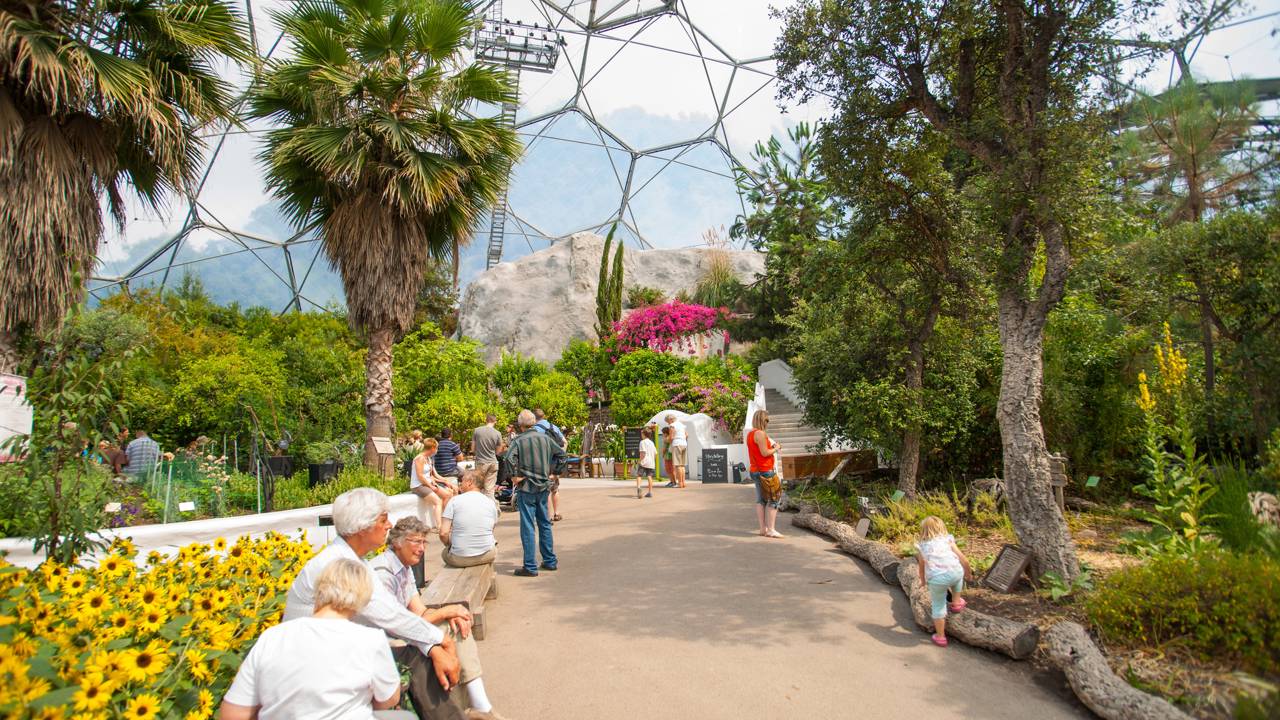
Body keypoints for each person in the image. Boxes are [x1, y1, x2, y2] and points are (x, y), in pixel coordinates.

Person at [281, 488, 465, 720]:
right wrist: (439, 642)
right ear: (363, 527)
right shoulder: (340, 563)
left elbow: (392, 612)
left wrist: (434, 644)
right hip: (321, 666)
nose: (389, 525)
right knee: (418, 657)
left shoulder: (351, 559)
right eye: (383, 519)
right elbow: (389, 615)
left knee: (422, 651)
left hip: (333, 655)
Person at [220, 558, 416, 720]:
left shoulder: (272, 637)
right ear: (363, 597)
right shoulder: (370, 639)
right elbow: (388, 698)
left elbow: (233, 713)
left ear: (319, 589)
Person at [370, 518, 506, 720]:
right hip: (387, 643)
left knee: (456, 624)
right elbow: (397, 627)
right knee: (447, 628)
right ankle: (474, 707)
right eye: (416, 542)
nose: (422, 548)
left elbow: (420, 612)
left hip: (402, 633)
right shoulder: (383, 573)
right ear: (397, 542)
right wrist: (445, 611)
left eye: (424, 542)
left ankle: (479, 705)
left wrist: (451, 614)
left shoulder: (403, 567)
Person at [505, 409, 566, 577]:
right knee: (544, 523)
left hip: (526, 487)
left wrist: (514, 477)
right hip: (543, 487)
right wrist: (555, 473)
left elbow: (508, 458)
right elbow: (562, 455)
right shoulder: (545, 438)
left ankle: (530, 566)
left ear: (520, 425)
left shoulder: (518, 440)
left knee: (528, 526)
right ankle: (550, 561)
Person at [916, 515, 973, 647]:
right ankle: (956, 602)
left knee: (938, 606)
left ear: (924, 530)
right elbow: (964, 560)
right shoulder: (948, 540)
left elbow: (921, 568)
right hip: (955, 573)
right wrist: (968, 574)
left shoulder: (922, 547)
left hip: (937, 579)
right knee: (957, 577)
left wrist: (923, 581)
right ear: (941, 527)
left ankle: (940, 637)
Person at [440, 471, 498, 567]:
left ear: (470, 482)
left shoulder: (454, 501)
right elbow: (491, 529)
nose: (460, 484)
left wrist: (450, 545)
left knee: (444, 553)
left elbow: (443, 533)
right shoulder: (490, 502)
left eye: (462, 481)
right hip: (487, 555)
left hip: (459, 558)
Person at [747, 410, 784, 538]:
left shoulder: (750, 434)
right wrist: (776, 448)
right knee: (774, 499)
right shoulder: (760, 434)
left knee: (761, 500)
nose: (768, 423)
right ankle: (771, 530)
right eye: (767, 420)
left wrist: (771, 447)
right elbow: (764, 453)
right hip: (765, 470)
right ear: (763, 421)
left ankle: (763, 528)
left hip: (755, 470)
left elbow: (758, 451)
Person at [412, 438, 456, 530]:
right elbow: (420, 476)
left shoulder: (428, 459)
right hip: (418, 486)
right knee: (437, 501)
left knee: (448, 495)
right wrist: (431, 486)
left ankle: (446, 521)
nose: (437, 450)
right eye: (436, 448)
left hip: (428, 484)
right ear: (432, 448)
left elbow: (432, 475)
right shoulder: (419, 458)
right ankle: (439, 526)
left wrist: (443, 481)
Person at [531, 409, 565, 521]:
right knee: (555, 488)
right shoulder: (553, 427)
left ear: (534, 418)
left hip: (543, 463)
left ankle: (548, 516)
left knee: (546, 490)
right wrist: (560, 457)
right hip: (555, 463)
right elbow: (564, 442)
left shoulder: (535, 429)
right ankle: (556, 513)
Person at [469, 415, 504, 501]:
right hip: (493, 462)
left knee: (479, 487)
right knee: (490, 489)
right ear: (495, 422)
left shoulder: (477, 431)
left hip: (481, 462)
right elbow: (499, 451)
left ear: (486, 420)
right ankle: (492, 507)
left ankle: (481, 506)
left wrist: (478, 452)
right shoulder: (498, 433)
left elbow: (472, 449)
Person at [665, 414, 687, 489]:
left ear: (671, 420)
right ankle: (683, 483)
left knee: (678, 465)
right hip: (684, 444)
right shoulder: (682, 425)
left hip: (677, 445)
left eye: (668, 421)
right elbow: (686, 435)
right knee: (682, 465)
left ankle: (680, 483)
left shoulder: (672, 426)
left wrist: (666, 440)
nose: (668, 423)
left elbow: (671, 438)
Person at [635, 426, 656, 499]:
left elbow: (642, 453)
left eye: (642, 433)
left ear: (644, 434)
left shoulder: (642, 442)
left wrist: (640, 461)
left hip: (644, 462)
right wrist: (653, 460)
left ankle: (639, 488)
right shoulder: (652, 443)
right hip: (651, 462)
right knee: (649, 476)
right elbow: (655, 453)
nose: (641, 435)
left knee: (639, 475)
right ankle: (650, 492)